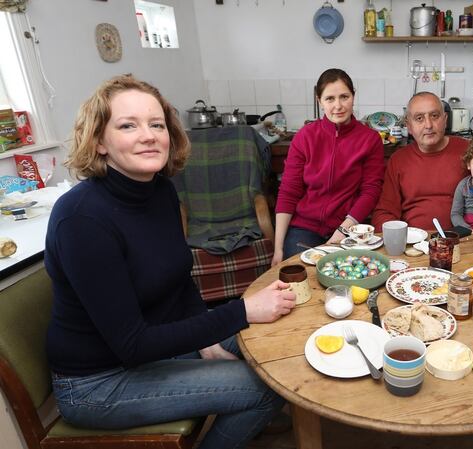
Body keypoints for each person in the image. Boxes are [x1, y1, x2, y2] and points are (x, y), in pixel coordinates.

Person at [45, 75, 296, 449]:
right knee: (267, 386)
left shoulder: (160, 190)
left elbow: (179, 280)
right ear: (99, 141)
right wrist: (242, 310)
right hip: (98, 382)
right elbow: (133, 345)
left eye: (157, 124)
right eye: (128, 126)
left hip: (154, 348)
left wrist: (209, 342)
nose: (148, 136)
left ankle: (241, 414)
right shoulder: (81, 219)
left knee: (274, 342)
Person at [272, 68, 384, 266]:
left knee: (345, 276)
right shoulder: (304, 137)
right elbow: (289, 192)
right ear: (320, 101)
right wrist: (278, 249)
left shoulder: (370, 139)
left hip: (349, 229)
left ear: (353, 96)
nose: (338, 106)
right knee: (300, 275)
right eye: (330, 98)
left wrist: (343, 231)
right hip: (304, 229)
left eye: (344, 97)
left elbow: (370, 191)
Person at [372, 92, 473, 232]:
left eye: (434, 116)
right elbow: (385, 211)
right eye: (419, 118)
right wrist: (395, 239)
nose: (428, 125)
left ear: (445, 119)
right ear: (409, 126)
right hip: (414, 241)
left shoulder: (471, 152)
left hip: (465, 239)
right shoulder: (398, 160)